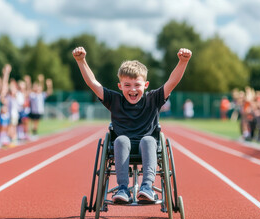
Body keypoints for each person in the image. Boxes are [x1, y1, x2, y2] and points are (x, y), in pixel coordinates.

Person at [72, 46, 192, 203]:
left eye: (137, 84)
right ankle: (122, 189)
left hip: (147, 146)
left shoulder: (153, 99)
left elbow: (172, 82)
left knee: (148, 140)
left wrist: (183, 62)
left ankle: (147, 187)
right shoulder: (115, 100)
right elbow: (93, 83)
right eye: (127, 85)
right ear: (120, 86)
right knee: (121, 139)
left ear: (146, 85)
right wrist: (81, 61)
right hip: (122, 147)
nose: (133, 89)